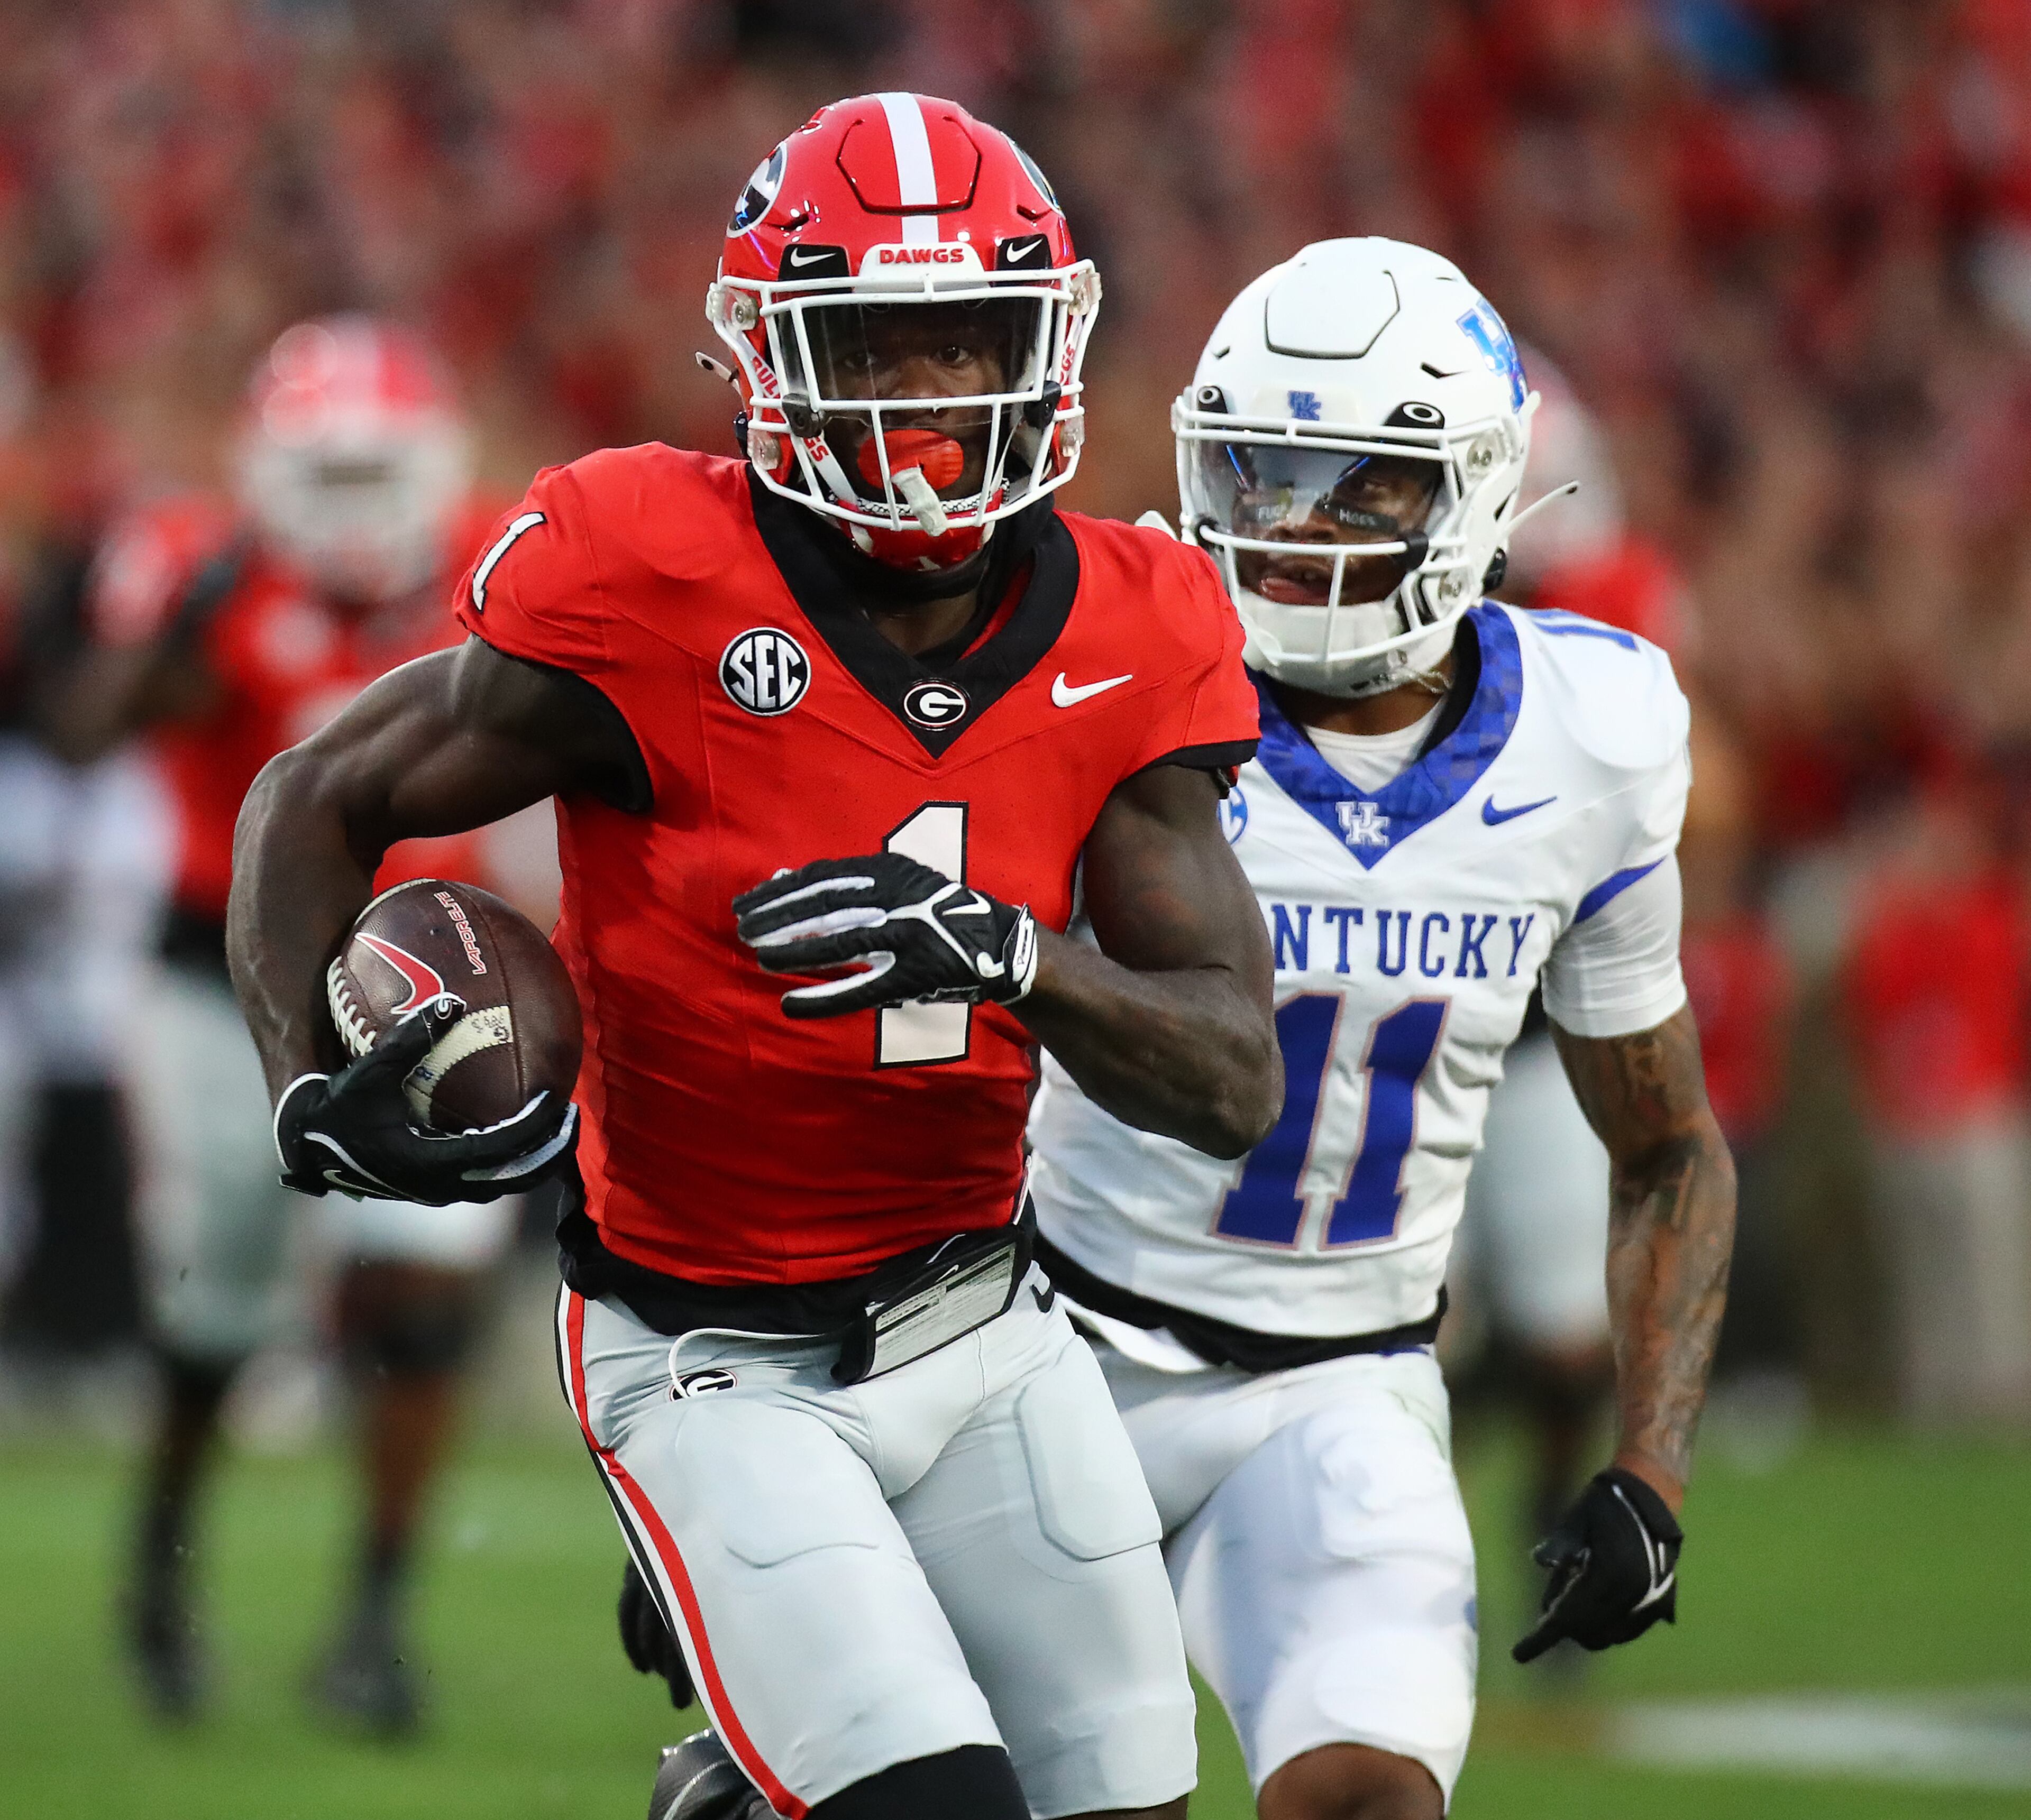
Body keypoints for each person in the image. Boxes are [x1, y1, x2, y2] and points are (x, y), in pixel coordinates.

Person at [225, 94, 1279, 1820]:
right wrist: (305, 1078)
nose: (935, 405)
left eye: (970, 345)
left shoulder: (1134, 622)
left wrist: (1017, 957)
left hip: (986, 1325)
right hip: (703, 1344)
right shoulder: (647, 570)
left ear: (1048, 344)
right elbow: (314, 793)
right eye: (886, 346)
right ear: (775, 358)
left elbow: (1232, 1077)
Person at [1023, 238, 1737, 1819]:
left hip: (1345, 1380)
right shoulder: (1108, 660)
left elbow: (1669, 1142)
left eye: (1362, 486)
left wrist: (1653, 1470)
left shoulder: (1594, 734)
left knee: (1372, 1797)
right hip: (1039, 1354)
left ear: (1479, 492)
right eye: (1263, 474)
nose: (1293, 530)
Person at [47, 315, 532, 1733]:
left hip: (426, 976)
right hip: (221, 980)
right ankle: (160, 1565)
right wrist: (177, 635)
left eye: (379, 468)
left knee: (424, 1295)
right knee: (218, 1316)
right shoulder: (202, 564)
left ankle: (376, 1619)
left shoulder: (501, 557)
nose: (355, 503)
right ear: (263, 471)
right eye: (324, 473)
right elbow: (85, 729)